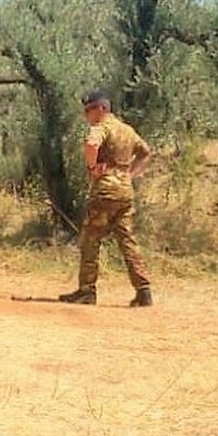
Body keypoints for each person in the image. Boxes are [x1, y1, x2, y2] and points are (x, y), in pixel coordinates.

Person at [59, 89, 154, 307]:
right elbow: (146, 152)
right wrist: (130, 174)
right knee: (127, 239)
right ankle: (143, 290)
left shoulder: (101, 127)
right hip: (125, 190)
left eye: (89, 110)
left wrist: (92, 167)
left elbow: (91, 145)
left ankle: (87, 291)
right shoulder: (127, 129)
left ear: (102, 108)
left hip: (105, 190)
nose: (87, 115)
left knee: (91, 239)